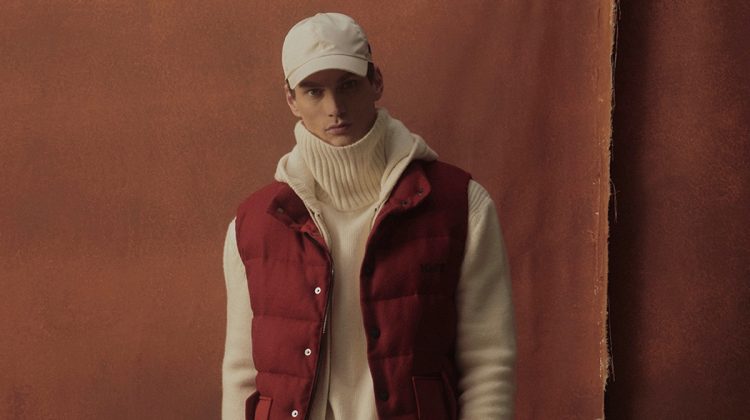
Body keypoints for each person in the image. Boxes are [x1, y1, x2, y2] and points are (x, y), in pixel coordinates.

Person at [222, 12, 515, 420]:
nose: (334, 108)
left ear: (375, 82)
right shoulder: (255, 225)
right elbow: (242, 375)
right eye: (314, 91)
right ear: (291, 100)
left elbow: (488, 362)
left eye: (348, 85)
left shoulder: (459, 205)